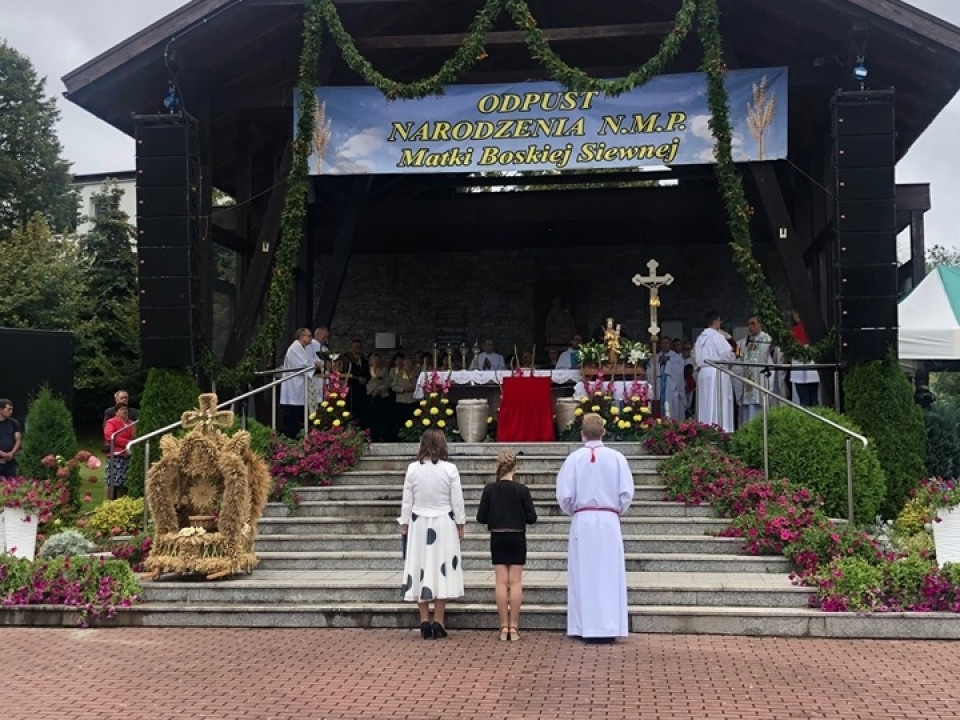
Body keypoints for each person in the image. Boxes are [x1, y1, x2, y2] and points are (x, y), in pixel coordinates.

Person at [556, 413, 634, 643]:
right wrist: (614, 510)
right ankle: (609, 625)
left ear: (582, 433)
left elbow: (564, 495)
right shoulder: (617, 458)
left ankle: (585, 626)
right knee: (609, 574)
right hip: (608, 521)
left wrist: (575, 510)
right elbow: (626, 493)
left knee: (584, 574)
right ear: (604, 432)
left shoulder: (574, 459)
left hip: (583, 520)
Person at [399, 428, 466, 639]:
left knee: (420, 567)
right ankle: (438, 619)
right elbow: (457, 500)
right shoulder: (450, 469)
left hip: (419, 522)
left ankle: (423, 620)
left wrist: (404, 523)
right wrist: (461, 523)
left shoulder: (412, 469)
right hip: (444, 522)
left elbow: (407, 500)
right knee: (441, 569)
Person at [476, 451, 538, 642]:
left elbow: (481, 517)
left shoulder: (490, 489)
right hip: (517, 536)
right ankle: (514, 626)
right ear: (515, 468)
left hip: (498, 536)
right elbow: (532, 517)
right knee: (516, 582)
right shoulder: (522, 490)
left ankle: (503, 627)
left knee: (501, 582)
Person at [694, 310, 736, 432]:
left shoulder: (700, 338)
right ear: (716, 321)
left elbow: (695, 357)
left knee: (706, 402)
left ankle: (705, 427)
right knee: (718, 401)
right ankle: (721, 428)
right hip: (716, 371)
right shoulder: (717, 336)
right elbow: (726, 354)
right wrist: (734, 357)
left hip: (704, 372)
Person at [279, 328, 322, 438]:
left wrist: (316, 364)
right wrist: (315, 366)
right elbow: (303, 365)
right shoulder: (294, 348)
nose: (311, 338)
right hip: (294, 388)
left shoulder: (303, 348)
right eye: (309, 336)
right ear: (302, 336)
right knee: (293, 417)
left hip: (301, 388)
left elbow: (309, 362)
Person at [736, 316, 775, 425]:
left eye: (753, 324)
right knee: (747, 410)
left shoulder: (767, 340)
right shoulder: (743, 342)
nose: (750, 327)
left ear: (760, 324)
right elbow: (738, 358)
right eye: (748, 324)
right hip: (747, 380)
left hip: (760, 379)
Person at [103, 403, 136, 500]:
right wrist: (127, 443)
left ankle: (121, 502)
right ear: (116, 412)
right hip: (116, 456)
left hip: (128, 455)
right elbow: (110, 436)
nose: (124, 411)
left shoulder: (132, 423)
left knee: (124, 483)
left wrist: (132, 444)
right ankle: (108, 503)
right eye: (121, 409)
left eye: (126, 409)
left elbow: (135, 436)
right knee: (112, 482)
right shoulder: (111, 422)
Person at [790, 309, 820, 407]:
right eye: (794, 313)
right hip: (801, 367)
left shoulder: (810, 329)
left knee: (810, 400)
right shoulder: (793, 331)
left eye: (797, 313)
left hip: (810, 366)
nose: (796, 315)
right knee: (808, 400)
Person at [652, 336, 685, 420]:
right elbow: (650, 370)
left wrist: (668, 363)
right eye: (662, 343)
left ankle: (671, 423)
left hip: (671, 386)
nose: (664, 345)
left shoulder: (676, 357)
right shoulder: (656, 356)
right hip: (658, 386)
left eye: (667, 343)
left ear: (671, 345)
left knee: (671, 406)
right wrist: (659, 364)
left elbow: (679, 371)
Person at [342, 338, 370, 426]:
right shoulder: (347, 362)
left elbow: (368, 374)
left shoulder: (364, 361)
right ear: (352, 348)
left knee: (362, 411)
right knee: (352, 411)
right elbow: (345, 374)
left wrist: (365, 379)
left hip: (362, 390)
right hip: (352, 390)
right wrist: (357, 379)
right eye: (356, 347)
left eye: (360, 347)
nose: (358, 349)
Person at [366, 351, 393, 442]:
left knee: (382, 416)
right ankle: (371, 435)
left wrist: (379, 390)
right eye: (373, 359)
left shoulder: (384, 370)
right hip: (370, 395)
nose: (375, 360)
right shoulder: (367, 370)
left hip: (382, 396)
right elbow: (366, 382)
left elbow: (387, 382)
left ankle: (382, 435)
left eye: (376, 358)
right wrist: (371, 390)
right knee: (371, 416)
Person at [390, 355, 417, 433]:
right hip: (401, 402)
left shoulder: (416, 374)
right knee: (401, 422)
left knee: (414, 421)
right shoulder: (398, 374)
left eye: (409, 364)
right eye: (406, 364)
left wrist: (414, 388)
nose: (408, 366)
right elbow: (393, 387)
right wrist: (403, 389)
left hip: (413, 401)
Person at [0, 399, 22, 478]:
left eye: (12, 409)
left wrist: (11, 453)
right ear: (1, 410)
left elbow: (18, 441)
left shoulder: (14, 423)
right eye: (8, 409)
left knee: (13, 483)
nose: (11, 411)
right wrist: (3, 454)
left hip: (11, 462)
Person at [310, 326, 331, 402]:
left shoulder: (325, 348)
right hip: (315, 377)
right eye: (324, 336)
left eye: (327, 337)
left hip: (324, 378)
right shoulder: (310, 345)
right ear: (318, 334)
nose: (326, 339)